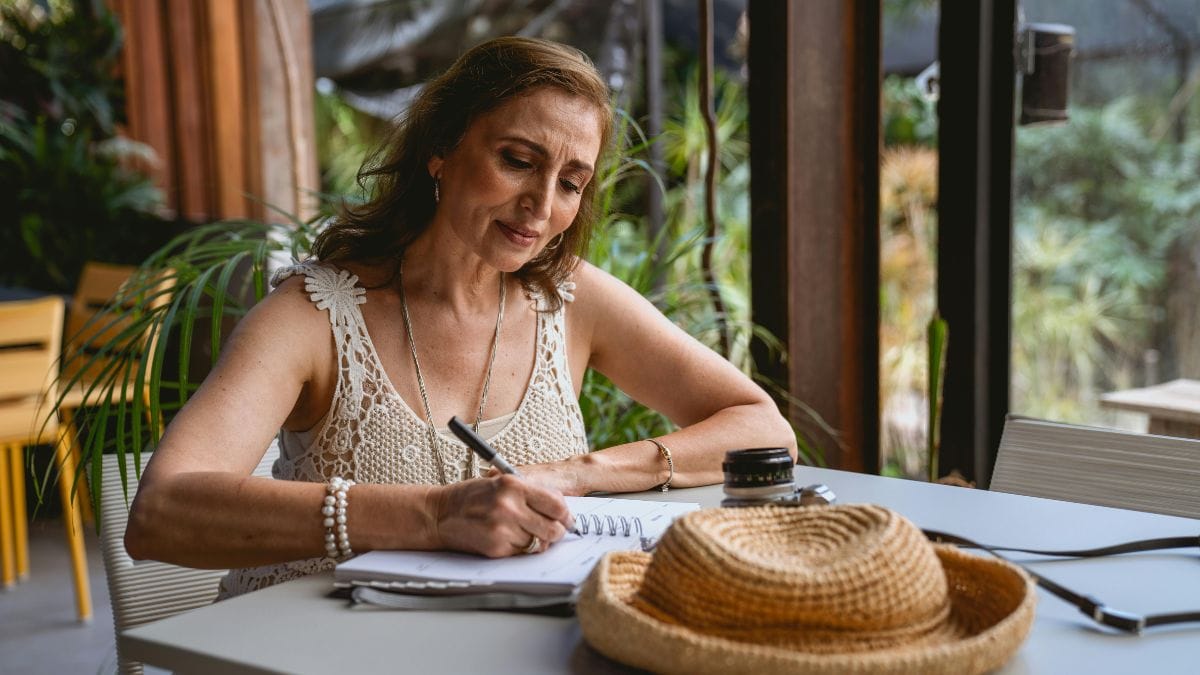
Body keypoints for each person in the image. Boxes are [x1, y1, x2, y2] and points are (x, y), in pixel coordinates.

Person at [124, 36, 795, 598]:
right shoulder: (313, 315)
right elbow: (159, 512)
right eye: (517, 160)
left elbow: (764, 428)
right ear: (440, 150)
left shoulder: (573, 299)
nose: (540, 205)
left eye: (570, 182)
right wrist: (434, 515)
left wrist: (581, 472)